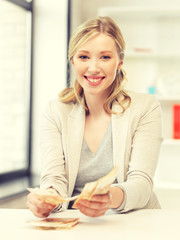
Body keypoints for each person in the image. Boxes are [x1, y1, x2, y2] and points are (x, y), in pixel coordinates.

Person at [27, 16, 163, 218]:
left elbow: (142, 183)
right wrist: (46, 198)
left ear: (119, 62)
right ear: (72, 60)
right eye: (83, 57)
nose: (93, 67)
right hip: (75, 223)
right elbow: (54, 179)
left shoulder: (146, 107)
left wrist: (109, 197)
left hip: (132, 222)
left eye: (105, 57)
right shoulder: (55, 111)